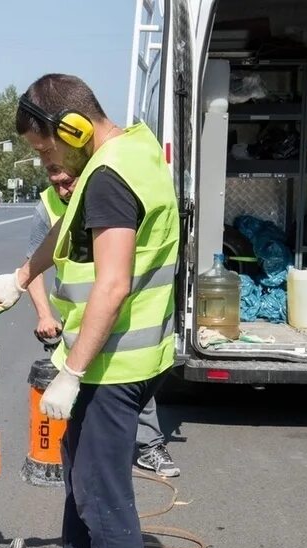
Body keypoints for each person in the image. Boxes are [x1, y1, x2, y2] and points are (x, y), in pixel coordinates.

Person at [0, 74, 179, 548]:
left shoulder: (111, 178)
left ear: (74, 129)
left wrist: (73, 371)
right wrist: (19, 279)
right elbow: (67, 239)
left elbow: (112, 283)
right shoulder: (129, 152)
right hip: (113, 359)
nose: (46, 161)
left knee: (102, 494)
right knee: (80, 477)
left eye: (45, 150)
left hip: (114, 363)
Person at [24, 167, 181, 479]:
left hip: (119, 312)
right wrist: (44, 314)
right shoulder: (48, 206)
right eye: (56, 184)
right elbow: (32, 264)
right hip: (79, 319)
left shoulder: (108, 190)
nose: (63, 191)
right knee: (78, 404)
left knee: (127, 380)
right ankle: (72, 452)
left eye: (68, 182)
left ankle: (149, 444)